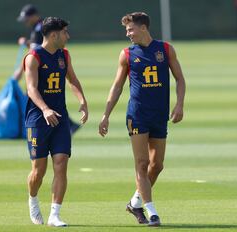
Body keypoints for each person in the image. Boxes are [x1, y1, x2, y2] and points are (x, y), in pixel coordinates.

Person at [98, 12, 185, 226]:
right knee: (142, 162)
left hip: (159, 115)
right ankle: (151, 211)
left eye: (131, 29)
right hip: (137, 115)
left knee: (157, 165)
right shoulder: (126, 54)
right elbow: (117, 86)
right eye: (126, 30)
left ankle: (135, 202)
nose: (128, 33)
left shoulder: (165, 49)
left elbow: (180, 79)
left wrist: (179, 104)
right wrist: (105, 115)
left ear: (143, 27)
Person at [24, 16, 88, 227]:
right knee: (38, 170)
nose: (67, 36)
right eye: (65, 33)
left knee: (61, 164)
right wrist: (44, 109)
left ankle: (54, 215)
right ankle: (33, 199)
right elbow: (31, 89)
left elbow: (73, 80)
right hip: (37, 119)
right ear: (54, 35)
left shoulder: (64, 55)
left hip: (60, 119)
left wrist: (82, 100)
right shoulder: (33, 57)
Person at [16, 4, 81, 135]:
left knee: (39, 95)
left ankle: (60, 125)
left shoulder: (39, 29)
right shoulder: (41, 26)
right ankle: (69, 124)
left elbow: (34, 50)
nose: (26, 21)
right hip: (43, 64)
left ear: (34, 16)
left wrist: (19, 72)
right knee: (46, 96)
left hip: (43, 68)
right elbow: (40, 46)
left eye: (27, 18)